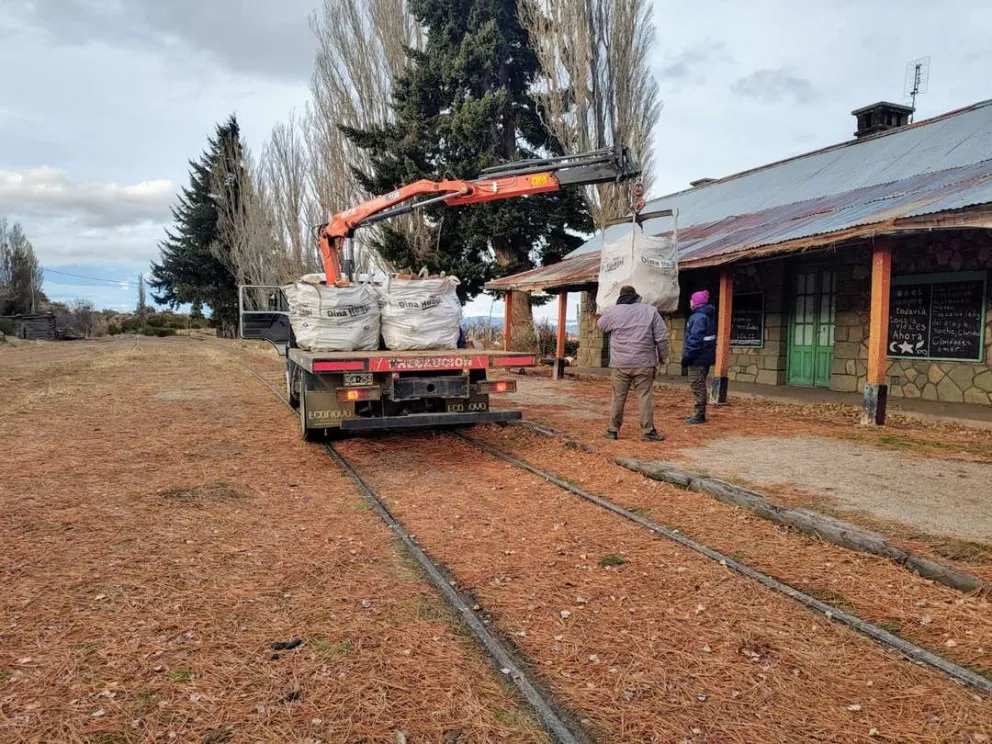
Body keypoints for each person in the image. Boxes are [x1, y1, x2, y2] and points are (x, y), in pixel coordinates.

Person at [597, 285, 669, 441]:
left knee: (618, 397)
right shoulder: (650, 311)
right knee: (644, 397)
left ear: (620, 297)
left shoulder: (613, 311)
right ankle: (648, 431)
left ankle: (613, 429)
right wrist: (663, 358)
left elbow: (601, 325)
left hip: (620, 363)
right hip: (644, 363)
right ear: (636, 296)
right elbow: (661, 337)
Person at [682, 289, 717, 424]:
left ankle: (699, 415)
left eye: (691, 300)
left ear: (696, 303)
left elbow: (695, 339)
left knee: (697, 384)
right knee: (699, 384)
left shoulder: (698, 317)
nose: (689, 302)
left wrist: (687, 357)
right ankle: (698, 413)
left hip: (698, 357)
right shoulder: (707, 316)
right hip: (704, 356)